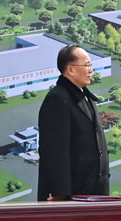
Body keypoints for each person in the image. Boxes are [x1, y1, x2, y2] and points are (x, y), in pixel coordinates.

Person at [37, 45, 110, 200]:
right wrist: (59, 194)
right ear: (70, 69)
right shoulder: (57, 99)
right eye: (87, 65)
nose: (91, 70)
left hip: (93, 194)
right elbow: (54, 152)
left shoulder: (84, 95)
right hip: (72, 198)